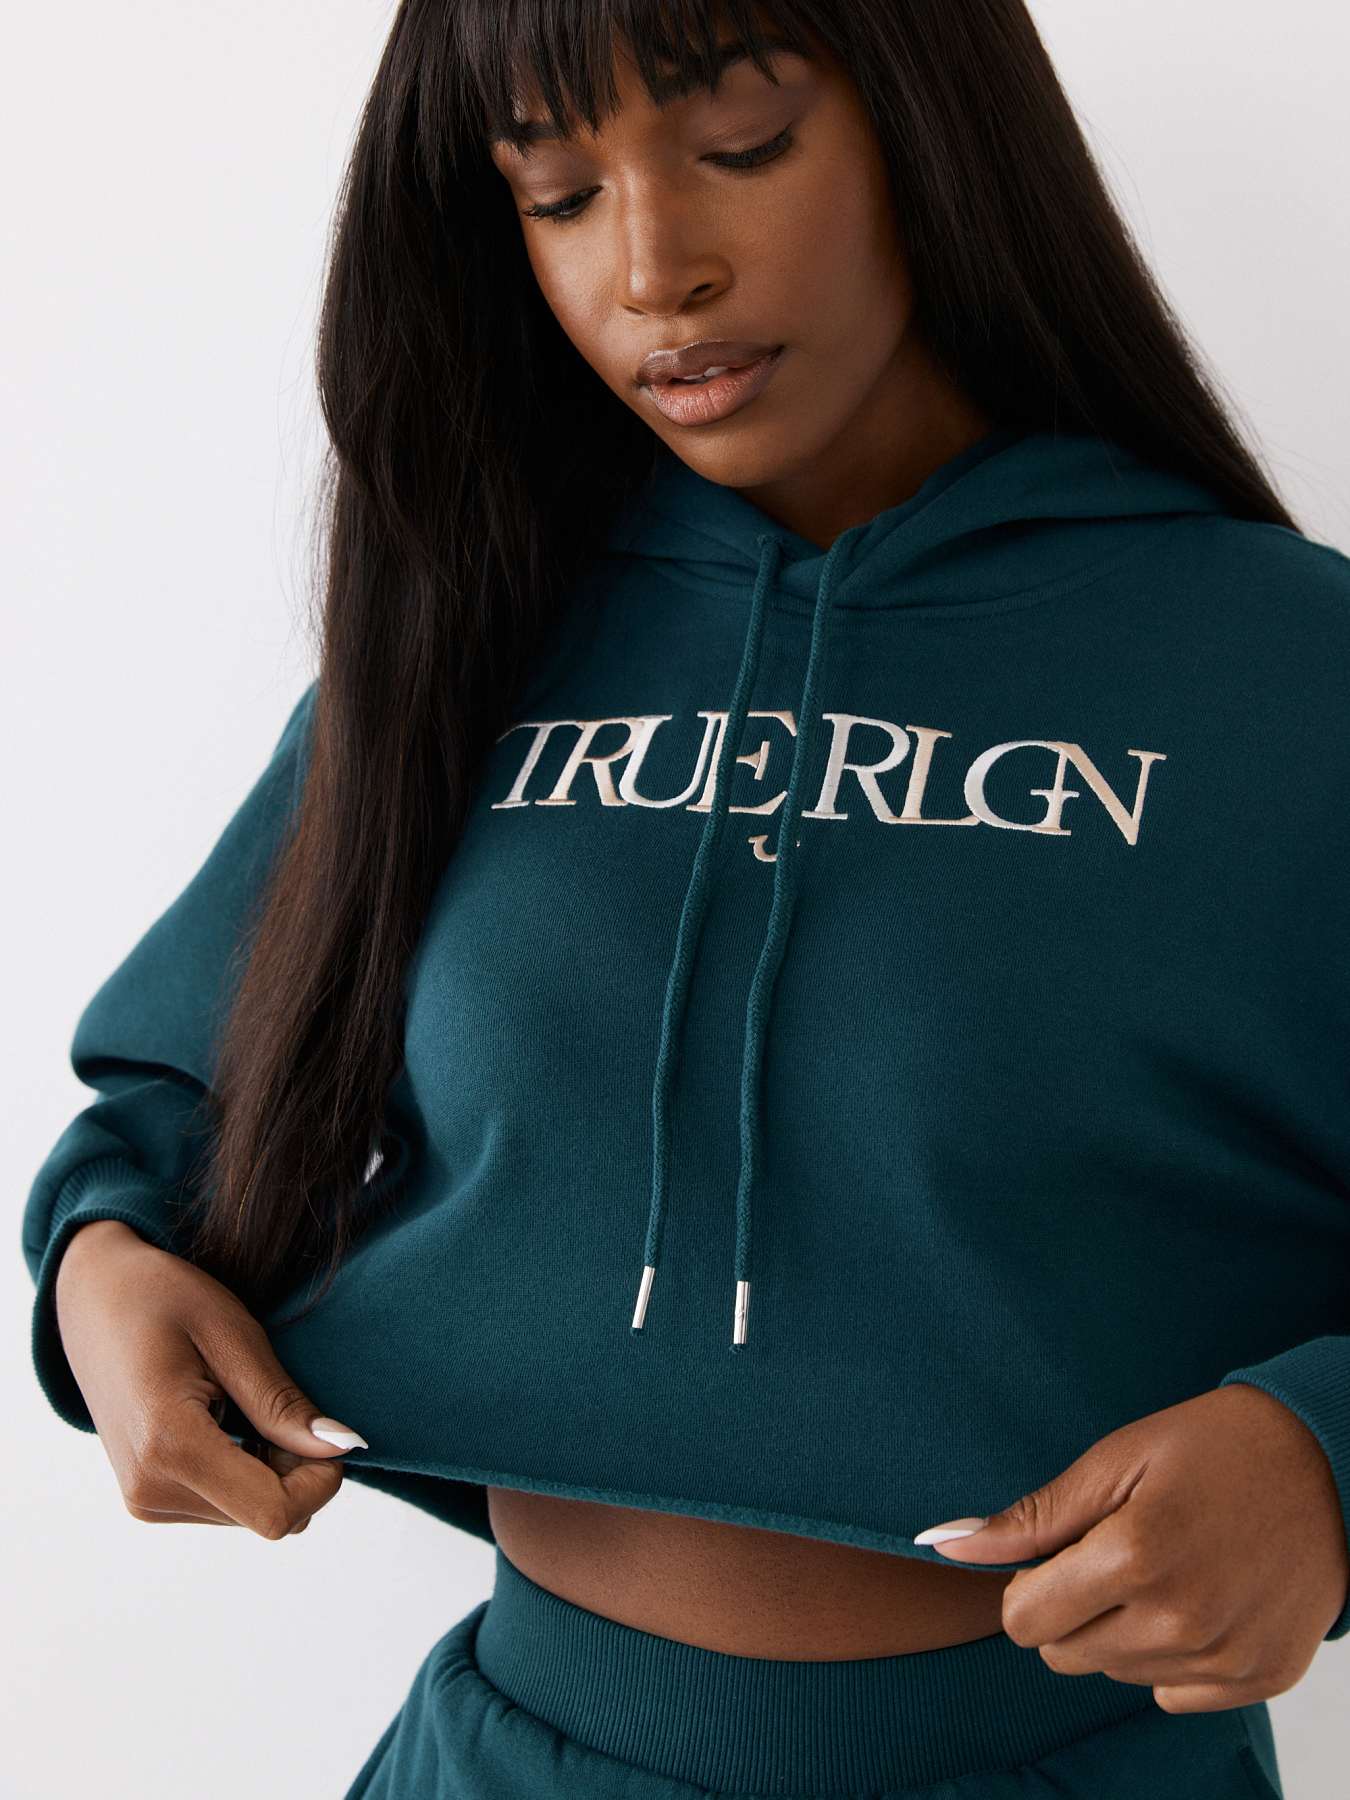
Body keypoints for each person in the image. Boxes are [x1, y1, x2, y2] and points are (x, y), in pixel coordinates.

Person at [22, 2, 1350, 1795]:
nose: (654, 271)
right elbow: (179, 1096)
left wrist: (1325, 1460)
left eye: (741, 147)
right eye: (557, 195)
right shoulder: (465, 644)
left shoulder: (1290, 674)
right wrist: (100, 1270)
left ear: (937, 134)